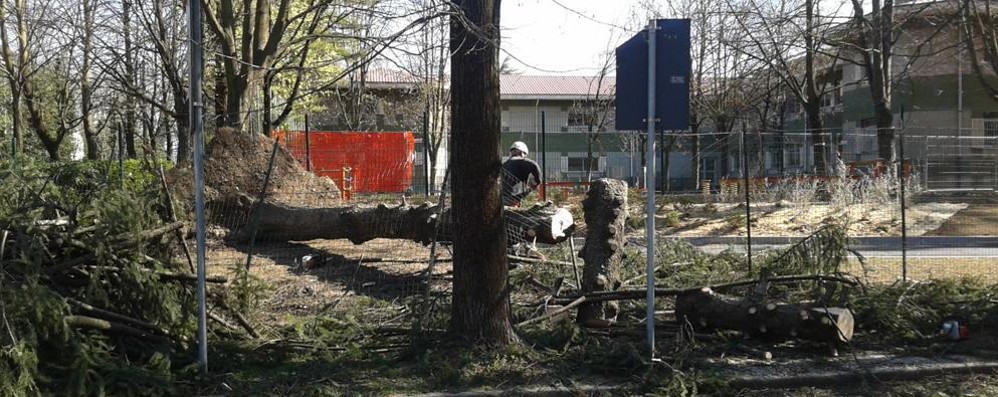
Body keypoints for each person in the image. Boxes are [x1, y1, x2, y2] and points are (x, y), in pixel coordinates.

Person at [501, 141, 542, 207]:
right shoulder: (527, 163)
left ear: (511, 153)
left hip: (502, 199)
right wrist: (535, 184)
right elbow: (537, 177)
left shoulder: (503, 165)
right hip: (514, 198)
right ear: (522, 153)